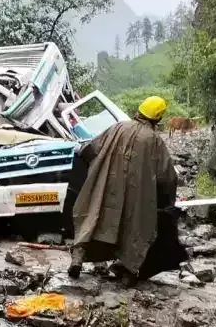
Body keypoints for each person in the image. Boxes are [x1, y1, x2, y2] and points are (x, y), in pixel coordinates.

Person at [68, 95, 179, 285]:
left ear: (139, 110)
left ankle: (78, 256)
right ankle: (128, 271)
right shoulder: (154, 141)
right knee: (136, 228)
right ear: (158, 118)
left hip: (106, 189)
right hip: (137, 196)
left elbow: (89, 149)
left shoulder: (117, 127)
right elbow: (167, 177)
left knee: (93, 217)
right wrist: (166, 202)